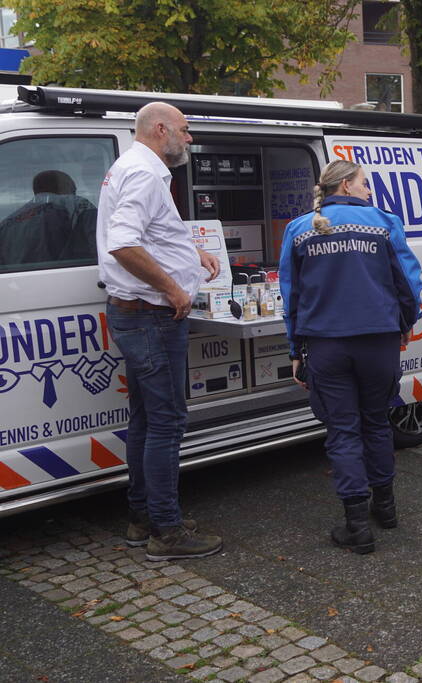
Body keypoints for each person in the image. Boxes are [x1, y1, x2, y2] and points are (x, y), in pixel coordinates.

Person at [97, 102, 223, 561]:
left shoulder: (133, 167)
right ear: (162, 128)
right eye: (186, 131)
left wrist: (192, 253)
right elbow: (125, 243)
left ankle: (142, 517)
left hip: (137, 313)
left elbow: (149, 232)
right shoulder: (146, 172)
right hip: (150, 315)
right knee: (167, 422)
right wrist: (174, 288)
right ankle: (166, 533)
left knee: (147, 420)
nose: (189, 140)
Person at [279, 160, 420, 555]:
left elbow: (290, 297)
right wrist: (404, 324)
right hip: (378, 342)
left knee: (343, 431)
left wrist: (295, 348)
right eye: (365, 183)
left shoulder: (298, 229)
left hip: (327, 345)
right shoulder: (384, 224)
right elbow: (408, 283)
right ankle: (386, 509)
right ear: (345, 185)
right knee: (377, 423)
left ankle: (357, 526)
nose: (370, 191)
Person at [0, 170, 97, 267]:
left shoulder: (6, 224)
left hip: (18, 280)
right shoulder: (79, 205)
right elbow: (99, 245)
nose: (74, 194)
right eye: (73, 190)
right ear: (64, 187)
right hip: (67, 276)